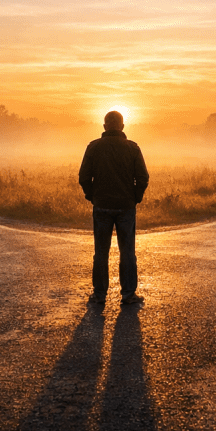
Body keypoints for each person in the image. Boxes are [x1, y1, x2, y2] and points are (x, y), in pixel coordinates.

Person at [78, 110, 149, 306]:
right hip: (126, 207)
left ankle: (99, 295)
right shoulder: (132, 148)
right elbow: (143, 178)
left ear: (104, 127)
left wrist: (93, 196)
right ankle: (128, 294)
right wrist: (135, 198)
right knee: (127, 252)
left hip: (102, 207)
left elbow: (83, 177)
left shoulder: (93, 147)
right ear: (123, 127)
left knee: (101, 252)